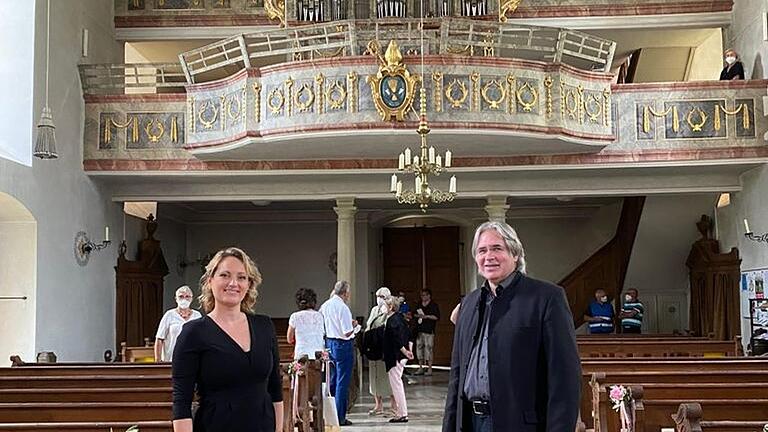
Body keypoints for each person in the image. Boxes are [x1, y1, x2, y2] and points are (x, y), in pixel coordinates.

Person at [443, 221, 581, 432]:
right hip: (470, 422)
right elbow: (457, 374)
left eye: (497, 248)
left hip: (520, 424)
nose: (488, 256)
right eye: (482, 251)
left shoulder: (546, 298)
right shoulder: (469, 304)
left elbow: (564, 379)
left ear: (515, 254)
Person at [172, 247, 283, 432]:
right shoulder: (193, 333)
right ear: (210, 280)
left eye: (241, 277)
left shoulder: (264, 327)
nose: (233, 283)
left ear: (249, 284)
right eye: (225, 275)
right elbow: (181, 401)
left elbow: (275, 390)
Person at [319, 280, 358, 426]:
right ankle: (340, 417)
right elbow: (347, 332)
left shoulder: (326, 305)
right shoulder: (343, 307)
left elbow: (321, 322)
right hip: (343, 345)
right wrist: (354, 325)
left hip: (330, 343)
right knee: (343, 381)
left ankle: (329, 415)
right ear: (346, 293)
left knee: (332, 379)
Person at [383, 295, 414, 423]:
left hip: (395, 356)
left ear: (390, 307)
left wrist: (405, 351)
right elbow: (409, 334)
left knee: (396, 385)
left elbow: (396, 339)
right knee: (397, 384)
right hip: (402, 356)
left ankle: (402, 413)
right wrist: (409, 350)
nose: (383, 308)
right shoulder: (401, 318)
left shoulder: (391, 320)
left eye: (385, 305)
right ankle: (401, 412)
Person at [365, 287, 395, 416]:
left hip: (385, 348)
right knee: (374, 377)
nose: (379, 299)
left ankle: (394, 404)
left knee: (388, 377)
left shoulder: (390, 310)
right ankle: (378, 404)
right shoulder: (374, 310)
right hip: (374, 347)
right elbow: (369, 324)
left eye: (382, 297)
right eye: (378, 296)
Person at [154, 285, 202, 362]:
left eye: (187, 296)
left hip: (192, 360)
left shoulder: (197, 315)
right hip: (171, 360)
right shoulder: (169, 315)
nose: (184, 299)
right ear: (176, 299)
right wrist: (158, 361)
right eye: (181, 296)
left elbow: (201, 339)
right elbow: (159, 338)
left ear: (191, 299)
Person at [287, 287, 325, 359]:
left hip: (301, 353)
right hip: (318, 354)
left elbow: (289, 339)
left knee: (301, 370)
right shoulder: (320, 316)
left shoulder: (295, 316)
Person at [414, 288, 440, 376]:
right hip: (419, 330)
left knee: (429, 348)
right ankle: (420, 367)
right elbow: (414, 314)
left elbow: (436, 317)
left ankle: (429, 368)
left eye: (424, 295)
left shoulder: (433, 305)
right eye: (421, 295)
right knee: (419, 347)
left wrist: (427, 316)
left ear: (429, 295)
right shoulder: (418, 304)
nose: (423, 297)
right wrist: (419, 315)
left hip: (429, 330)